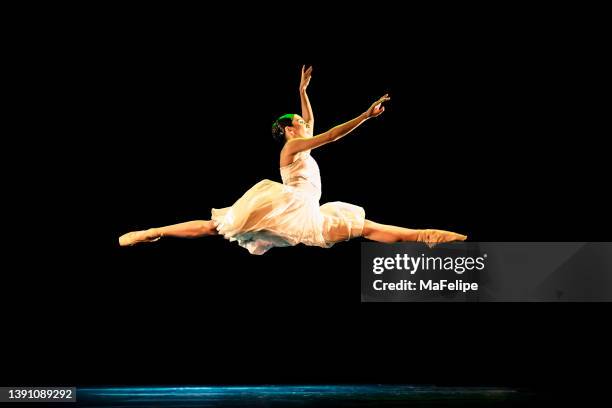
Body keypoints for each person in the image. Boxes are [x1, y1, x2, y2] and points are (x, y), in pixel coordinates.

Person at [119, 66, 467, 253]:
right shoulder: (291, 149)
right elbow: (329, 134)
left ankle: (425, 236)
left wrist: (303, 93)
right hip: (289, 207)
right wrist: (364, 116)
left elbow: (313, 125)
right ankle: (153, 231)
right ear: (288, 132)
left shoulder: (300, 144)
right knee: (217, 226)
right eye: (299, 124)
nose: (304, 124)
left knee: (366, 228)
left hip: (309, 212)